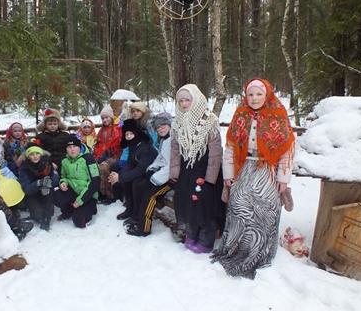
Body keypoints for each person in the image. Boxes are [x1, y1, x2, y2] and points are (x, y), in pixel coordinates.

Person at [211, 78, 295, 279]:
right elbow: (230, 147)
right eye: (250, 94)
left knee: (266, 205)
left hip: (268, 168)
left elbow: (287, 149)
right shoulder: (240, 115)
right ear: (245, 96)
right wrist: (229, 175)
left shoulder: (278, 115)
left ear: (267, 95)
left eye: (259, 94)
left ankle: (260, 251)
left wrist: (283, 178)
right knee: (238, 202)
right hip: (245, 167)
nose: (254, 98)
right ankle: (237, 247)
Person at [169, 84, 224, 254]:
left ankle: (206, 241)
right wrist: (174, 174)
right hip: (187, 170)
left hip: (205, 170)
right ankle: (191, 235)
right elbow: (175, 151)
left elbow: (216, 153)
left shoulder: (209, 121)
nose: (184, 104)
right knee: (188, 205)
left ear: (196, 100)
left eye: (187, 100)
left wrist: (210, 178)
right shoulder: (177, 123)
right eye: (181, 101)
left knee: (205, 207)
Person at [126, 112, 174, 237]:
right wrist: (151, 169)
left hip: (171, 179)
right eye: (158, 127)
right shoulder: (164, 140)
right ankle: (137, 216)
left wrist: (155, 178)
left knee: (149, 194)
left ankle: (144, 227)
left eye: (163, 125)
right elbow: (160, 158)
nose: (160, 128)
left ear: (170, 125)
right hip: (161, 175)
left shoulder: (173, 141)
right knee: (139, 184)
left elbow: (171, 165)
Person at [108, 119, 158, 221]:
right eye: (126, 134)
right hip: (141, 171)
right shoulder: (133, 145)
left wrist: (120, 177)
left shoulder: (145, 148)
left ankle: (136, 214)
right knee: (124, 176)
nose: (129, 136)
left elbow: (141, 170)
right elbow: (130, 163)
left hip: (151, 173)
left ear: (136, 133)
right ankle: (129, 209)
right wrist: (120, 175)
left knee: (136, 183)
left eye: (131, 134)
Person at [55, 135, 100, 228]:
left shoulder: (88, 159)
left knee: (80, 222)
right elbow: (63, 176)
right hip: (73, 191)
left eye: (75, 146)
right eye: (69, 147)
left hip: (88, 194)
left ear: (79, 147)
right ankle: (69, 210)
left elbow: (95, 181)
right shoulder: (64, 161)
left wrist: (81, 200)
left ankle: (91, 207)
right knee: (55, 195)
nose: (72, 150)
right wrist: (63, 182)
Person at [18, 140, 60, 231]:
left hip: (47, 191)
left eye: (37, 153)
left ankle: (47, 219)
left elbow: (56, 178)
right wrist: (39, 183)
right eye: (32, 154)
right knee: (38, 215)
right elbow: (27, 189)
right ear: (28, 156)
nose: (35, 156)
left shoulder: (47, 164)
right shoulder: (24, 168)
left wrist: (48, 182)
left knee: (47, 187)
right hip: (33, 193)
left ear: (40, 154)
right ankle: (36, 213)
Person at [93, 105, 123, 204]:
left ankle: (110, 194)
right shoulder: (102, 130)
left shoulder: (117, 128)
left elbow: (116, 145)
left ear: (111, 117)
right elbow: (99, 144)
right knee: (96, 167)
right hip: (102, 155)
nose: (105, 120)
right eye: (103, 118)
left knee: (104, 167)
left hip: (114, 155)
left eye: (107, 117)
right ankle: (101, 192)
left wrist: (103, 158)